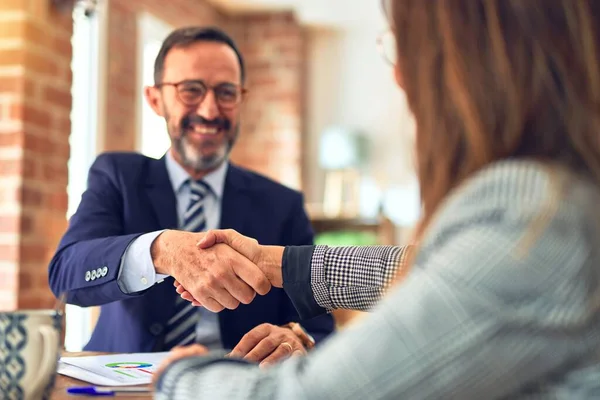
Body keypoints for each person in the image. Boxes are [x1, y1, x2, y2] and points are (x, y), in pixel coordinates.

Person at [153, 0, 600, 398]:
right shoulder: (561, 196)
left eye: (404, 45)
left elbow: (314, 393)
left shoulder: (539, 214)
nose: (399, 75)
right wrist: (275, 264)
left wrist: (179, 376)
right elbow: (422, 266)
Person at [47, 26, 334, 360]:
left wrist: (296, 338)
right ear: (155, 99)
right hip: (125, 382)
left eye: (226, 92)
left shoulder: (282, 204)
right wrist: (160, 250)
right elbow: (65, 274)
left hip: (236, 385)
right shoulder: (118, 176)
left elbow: (319, 326)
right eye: (191, 90)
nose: (210, 111)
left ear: (241, 99)